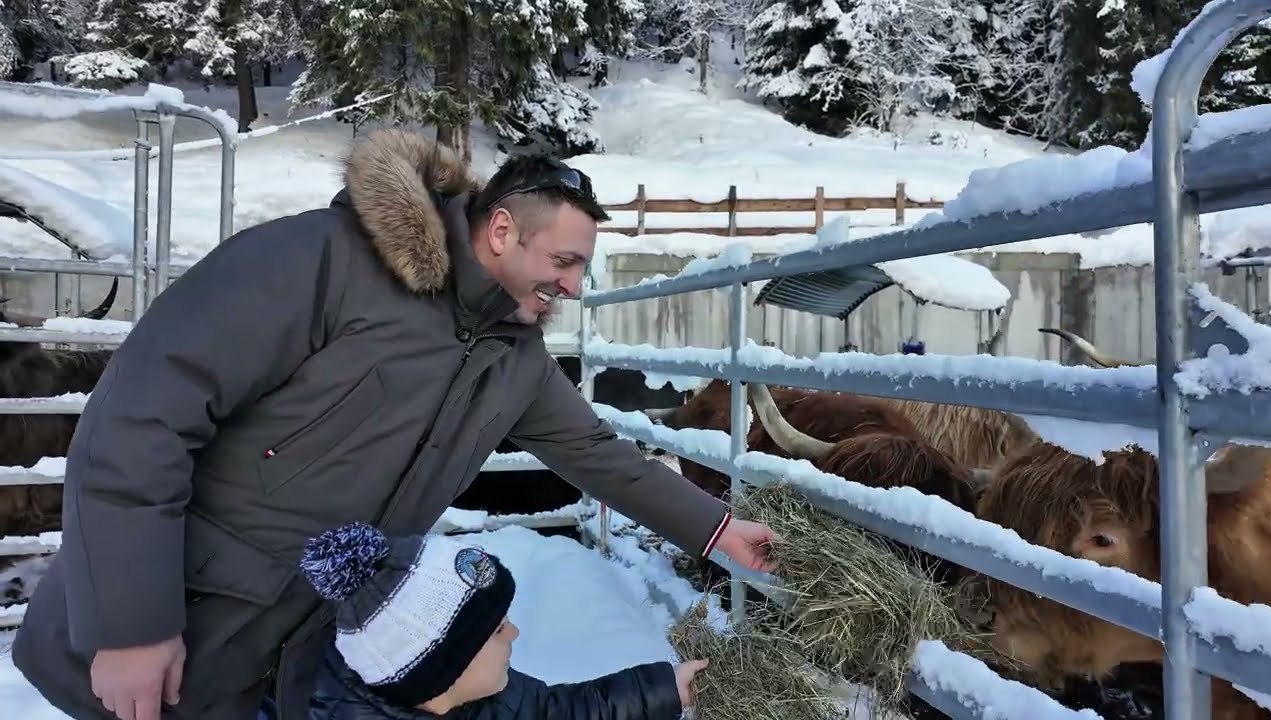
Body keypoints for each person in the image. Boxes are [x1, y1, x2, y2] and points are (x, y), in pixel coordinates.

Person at [12, 128, 777, 720]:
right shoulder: (319, 260)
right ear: (503, 231)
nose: (575, 285)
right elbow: (140, 422)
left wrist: (716, 531)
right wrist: (130, 624)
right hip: (176, 627)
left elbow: (596, 454)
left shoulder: (513, 359)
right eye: (567, 260)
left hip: (305, 656)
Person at [296, 521, 707, 720]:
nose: (515, 631)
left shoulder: (477, 698)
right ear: (444, 669)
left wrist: (663, 689)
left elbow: (550, 714)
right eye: (496, 630)